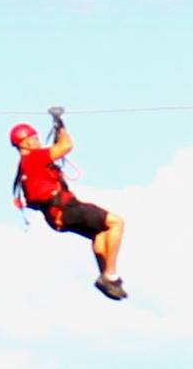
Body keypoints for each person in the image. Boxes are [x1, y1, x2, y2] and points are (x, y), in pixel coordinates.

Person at [12, 108, 127, 300]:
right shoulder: (34, 157)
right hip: (66, 209)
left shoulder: (25, 166)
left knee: (100, 232)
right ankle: (111, 275)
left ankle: (105, 277)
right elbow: (66, 145)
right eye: (35, 138)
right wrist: (60, 123)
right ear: (26, 141)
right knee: (116, 223)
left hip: (56, 217)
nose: (39, 142)